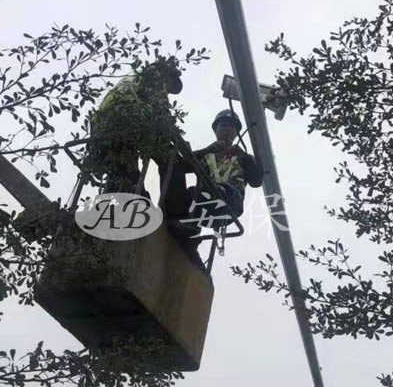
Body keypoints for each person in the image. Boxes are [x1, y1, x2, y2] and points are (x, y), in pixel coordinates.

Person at [160, 109, 263, 264]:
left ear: (236, 133)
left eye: (231, 127)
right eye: (223, 126)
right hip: (204, 204)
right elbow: (180, 166)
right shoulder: (207, 154)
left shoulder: (244, 157)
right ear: (216, 130)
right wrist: (207, 150)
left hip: (230, 203)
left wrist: (243, 156)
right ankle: (182, 227)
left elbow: (256, 181)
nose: (227, 129)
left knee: (213, 192)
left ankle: (189, 224)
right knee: (189, 192)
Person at [87, 57, 183, 193]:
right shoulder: (156, 74)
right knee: (172, 161)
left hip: (103, 129)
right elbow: (161, 112)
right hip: (126, 123)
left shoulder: (134, 79)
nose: (166, 93)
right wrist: (174, 135)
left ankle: (124, 200)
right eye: (168, 89)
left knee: (125, 177)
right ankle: (175, 206)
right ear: (167, 76)